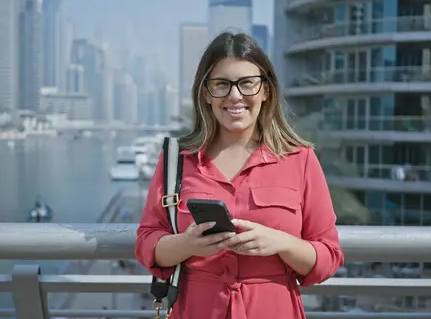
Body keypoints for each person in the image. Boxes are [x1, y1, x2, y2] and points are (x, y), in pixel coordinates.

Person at [135, 31, 343, 319]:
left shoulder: (300, 159)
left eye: (247, 84)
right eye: (221, 84)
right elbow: (147, 243)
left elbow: (328, 257)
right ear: (205, 93)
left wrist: (282, 243)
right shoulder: (176, 160)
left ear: (266, 90)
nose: (235, 96)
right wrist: (188, 244)